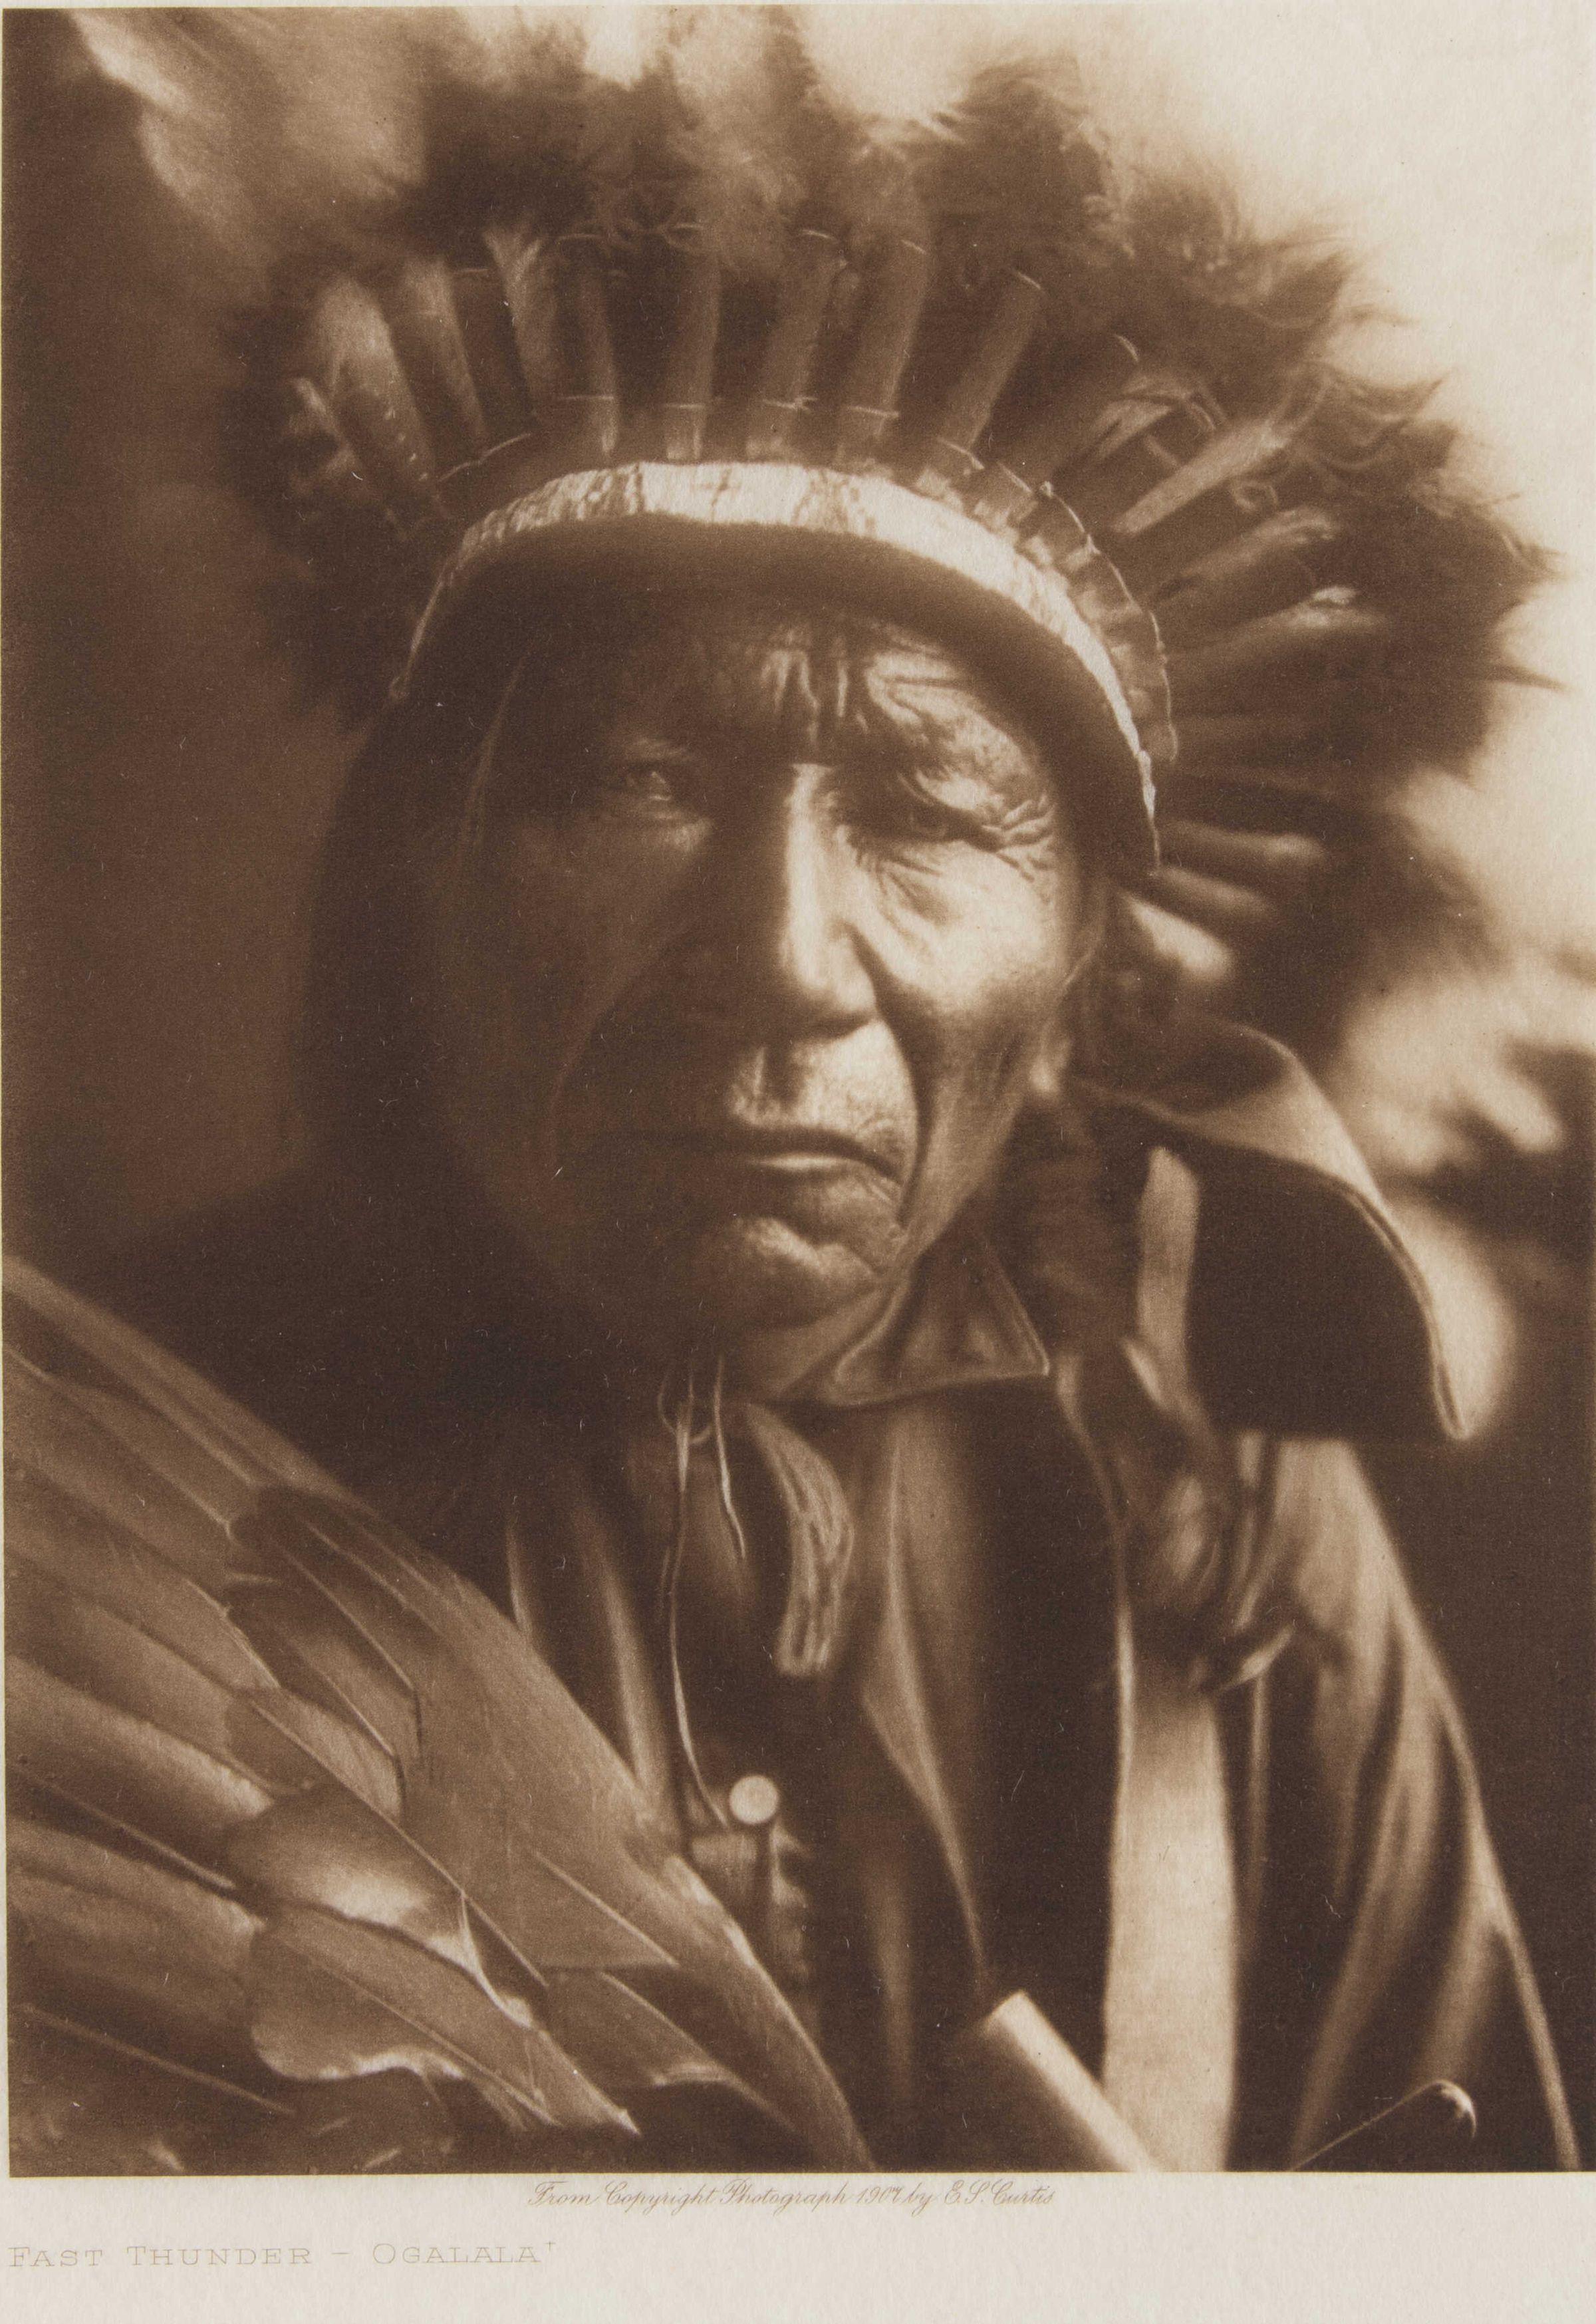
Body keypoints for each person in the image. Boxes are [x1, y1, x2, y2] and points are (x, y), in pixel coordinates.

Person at [5, 12, 1579, 2172]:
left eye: (926, 811)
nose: (779, 957)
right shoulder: (94, 1475)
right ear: (424, 879)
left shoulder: (1215, 1512)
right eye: (643, 779)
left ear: (1084, 977)